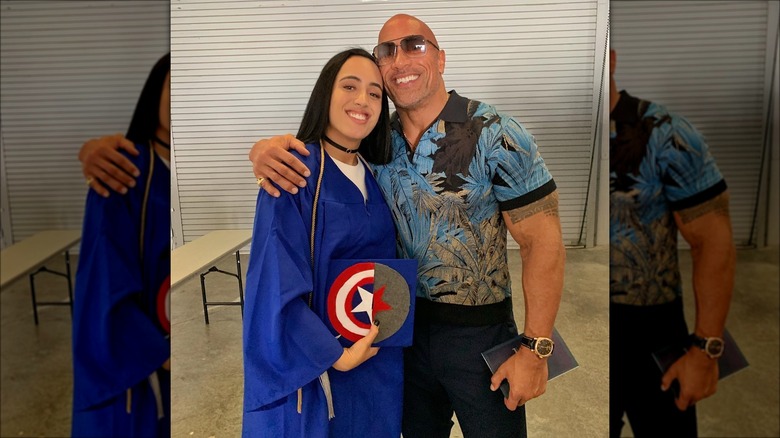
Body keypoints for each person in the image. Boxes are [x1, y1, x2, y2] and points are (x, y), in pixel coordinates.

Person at [249, 15, 564, 438]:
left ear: (441, 58)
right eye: (387, 51)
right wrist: (263, 149)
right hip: (400, 332)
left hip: (481, 335)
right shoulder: (379, 144)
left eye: (415, 45)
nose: (400, 60)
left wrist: (536, 348)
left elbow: (542, 242)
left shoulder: (497, 133)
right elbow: (325, 154)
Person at [242, 48, 404, 437]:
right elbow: (274, 281)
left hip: (378, 356)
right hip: (320, 363)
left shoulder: (377, 173)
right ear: (324, 95)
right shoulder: (295, 172)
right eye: (350, 86)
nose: (362, 100)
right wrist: (335, 356)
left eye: (375, 93)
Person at [609, 49, 736, 437]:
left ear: (610, 59)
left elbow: (712, 242)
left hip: (651, 325)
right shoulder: (562, 132)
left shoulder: (666, 132)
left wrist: (706, 348)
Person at [71, 53, 171, 437]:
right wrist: (159, 354)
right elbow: (103, 283)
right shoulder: (123, 170)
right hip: (145, 366)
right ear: (153, 92)